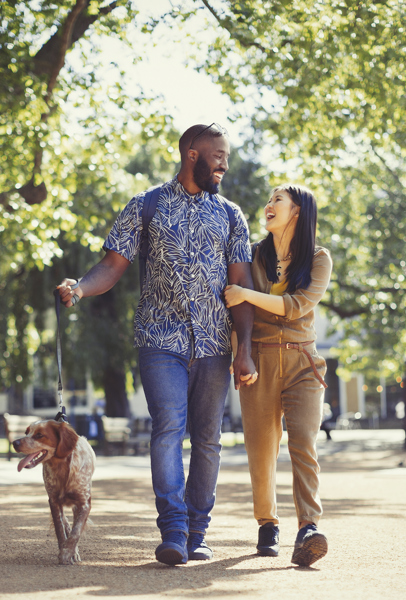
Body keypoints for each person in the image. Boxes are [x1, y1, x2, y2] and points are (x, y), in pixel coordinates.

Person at [57, 123, 258, 565]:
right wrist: (80, 289)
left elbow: (240, 285)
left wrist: (244, 349)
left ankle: (198, 533)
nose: (224, 163)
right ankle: (174, 530)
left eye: (226, 156)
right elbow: (112, 266)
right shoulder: (145, 206)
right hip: (159, 338)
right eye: (218, 155)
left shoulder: (230, 215)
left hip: (212, 342)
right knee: (168, 428)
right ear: (192, 154)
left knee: (207, 438)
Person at [224, 183, 333, 567]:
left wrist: (246, 294)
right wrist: (241, 355)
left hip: (304, 363)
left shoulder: (319, 259)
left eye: (277, 200)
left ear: (298, 211)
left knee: (303, 443)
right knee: (261, 448)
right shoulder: (252, 255)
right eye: (268, 199)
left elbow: (297, 305)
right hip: (259, 360)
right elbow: (239, 316)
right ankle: (267, 523)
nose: (268, 205)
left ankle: (308, 527)